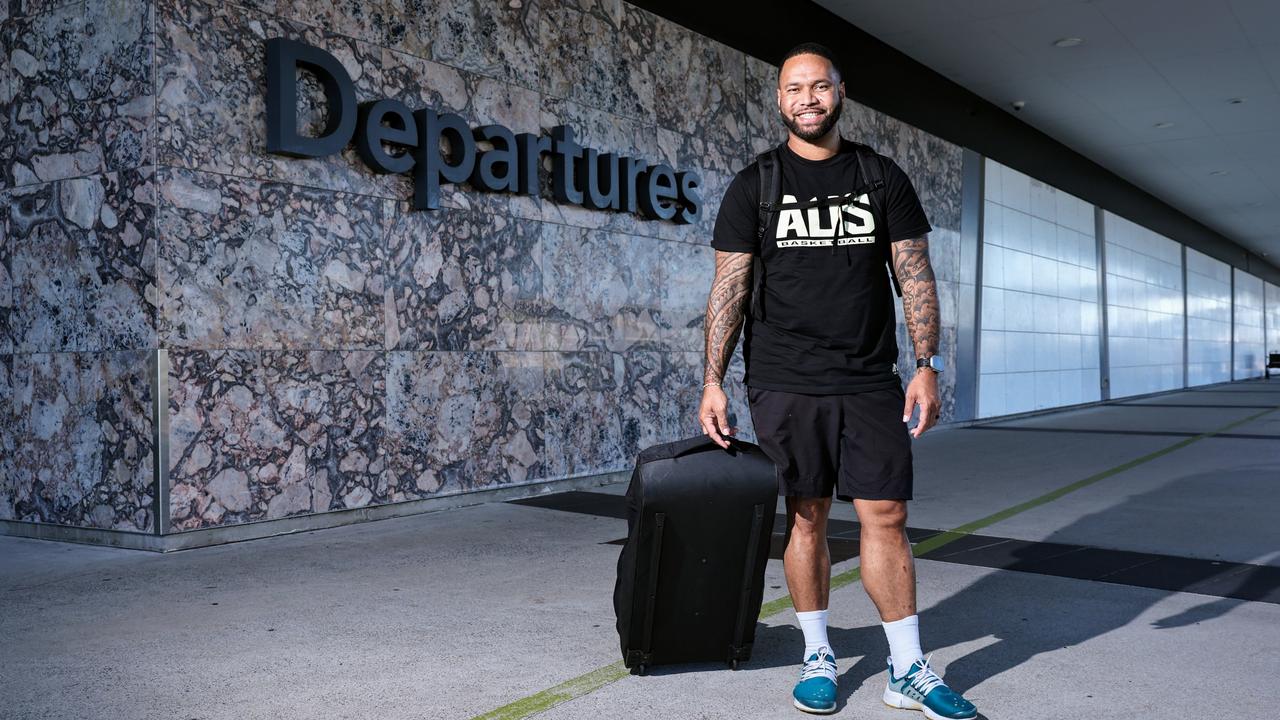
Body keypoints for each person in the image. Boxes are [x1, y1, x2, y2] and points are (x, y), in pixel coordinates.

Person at [698, 43, 977, 719]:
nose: (808, 98)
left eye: (819, 86)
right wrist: (712, 380)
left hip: (868, 377)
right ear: (779, 100)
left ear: (840, 93)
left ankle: (906, 667)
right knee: (807, 515)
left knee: (887, 514)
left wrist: (927, 365)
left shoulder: (880, 177)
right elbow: (728, 287)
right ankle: (817, 652)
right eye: (795, 88)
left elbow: (915, 275)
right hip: (783, 377)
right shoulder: (755, 184)